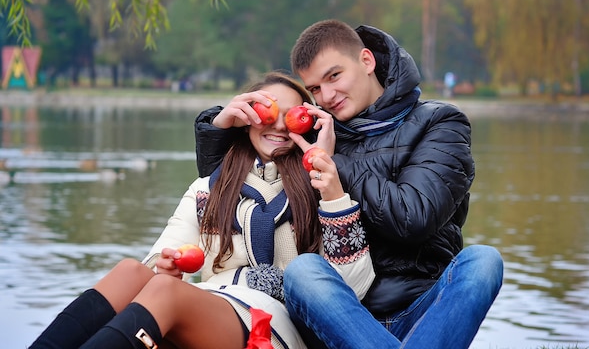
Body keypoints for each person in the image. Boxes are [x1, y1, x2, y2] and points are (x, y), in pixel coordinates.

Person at [194, 20, 504, 349]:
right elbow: (228, 178)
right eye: (314, 89)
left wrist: (333, 163)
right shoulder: (315, 130)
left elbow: (414, 217)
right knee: (303, 271)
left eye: (334, 76)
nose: (327, 96)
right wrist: (218, 124)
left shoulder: (440, 122)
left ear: (366, 61)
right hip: (333, 311)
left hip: (423, 308)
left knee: (483, 262)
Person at [30, 71, 373, 349]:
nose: (280, 125)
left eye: (292, 116)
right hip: (208, 306)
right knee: (131, 272)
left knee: (166, 293)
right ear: (247, 117)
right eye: (268, 111)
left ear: (310, 123)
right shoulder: (210, 188)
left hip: (277, 324)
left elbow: (351, 291)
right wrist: (166, 264)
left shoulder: (323, 186)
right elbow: (159, 266)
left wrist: (331, 190)